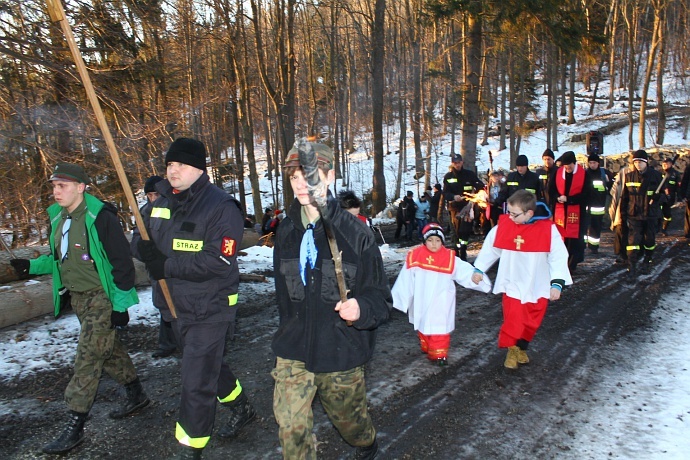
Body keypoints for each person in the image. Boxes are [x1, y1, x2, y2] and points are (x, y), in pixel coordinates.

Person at [9, 163, 149, 454]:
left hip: (102, 296)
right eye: (54, 186)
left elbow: (122, 263)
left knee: (87, 358)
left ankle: (75, 426)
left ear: (81, 187)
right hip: (80, 298)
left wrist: (120, 304)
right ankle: (136, 395)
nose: (56, 191)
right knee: (106, 348)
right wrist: (30, 265)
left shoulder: (100, 218)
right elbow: (59, 260)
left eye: (62, 186)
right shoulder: (60, 218)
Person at [134, 138, 255, 459]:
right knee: (206, 367)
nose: (172, 171)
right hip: (172, 306)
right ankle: (242, 406)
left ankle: (190, 449)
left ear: (199, 169)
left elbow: (219, 260)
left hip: (210, 307)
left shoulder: (221, 207)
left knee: (195, 381)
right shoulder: (160, 201)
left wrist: (167, 264)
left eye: (180, 165)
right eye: (170, 165)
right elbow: (139, 235)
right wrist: (142, 250)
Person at [272, 139, 392, 460]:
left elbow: (380, 299)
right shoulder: (285, 233)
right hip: (293, 350)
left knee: (351, 424)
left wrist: (360, 308)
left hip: (340, 351)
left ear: (330, 176)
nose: (301, 184)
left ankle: (366, 442)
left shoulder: (356, 235)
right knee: (291, 429)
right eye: (294, 177)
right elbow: (284, 298)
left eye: (309, 175)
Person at [471, 190, 572, 369]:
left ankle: (521, 347)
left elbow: (558, 256)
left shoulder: (548, 230)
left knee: (532, 320)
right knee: (514, 318)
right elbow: (491, 247)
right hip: (513, 281)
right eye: (508, 212)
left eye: (514, 214)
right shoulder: (505, 225)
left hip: (538, 283)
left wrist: (557, 283)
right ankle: (511, 349)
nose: (510, 217)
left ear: (529, 213)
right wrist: (479, 269)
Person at [391, 223, 491, 366]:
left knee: (439, 326)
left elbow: (464, 270)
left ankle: (439, 354)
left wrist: (474, 276)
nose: (434, 244)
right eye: (430, 240)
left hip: (441, 300)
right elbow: (405, 280)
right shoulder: (415, 257)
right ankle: (427, 345)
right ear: (425, 241)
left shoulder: (450, 258)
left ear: (442, 242)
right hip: (421, 299)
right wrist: (399, 299)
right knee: (423, 323)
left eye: (438, 241)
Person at [131, 175, 180, 359]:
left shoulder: (176, 208)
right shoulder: (144, 213)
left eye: (156, 194)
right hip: (155, 269)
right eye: (149, 195)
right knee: (162, 303)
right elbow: (136, 240)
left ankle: (185, 340)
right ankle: (167, 342)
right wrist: (144, 251)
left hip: (174, 268)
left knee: (180, 304)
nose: (153, 199)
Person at [620, 149, 664, 276]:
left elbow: (665, 196)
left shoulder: (656, 176)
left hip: (650, 214)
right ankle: (631, 266)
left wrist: (658, 198)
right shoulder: (629, 176)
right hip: (634, 214)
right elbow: (625, 197)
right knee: (633, 242)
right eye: (635, 162)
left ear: (646, 162)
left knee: (649, 240)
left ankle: (647, 261)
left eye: (640, 162)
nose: (638, 164)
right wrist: (623, 213)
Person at [549, 151, 591, 272]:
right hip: (560, 211)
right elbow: (550, 190)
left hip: (578, 212)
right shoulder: (558, 173)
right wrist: (557, 197)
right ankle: (561, 264)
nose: (567, 168)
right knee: (561, 239)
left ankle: (571, 265)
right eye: (565, 166)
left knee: (575, 242)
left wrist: (570, 199)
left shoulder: (584, 175)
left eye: (569, 166)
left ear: (574, 163)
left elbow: (587, 195)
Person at [442, 153, 485, 260]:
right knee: (456, 231)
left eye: (459, 162)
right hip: (454, 207)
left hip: (467, 207)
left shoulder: (469, 174)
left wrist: (476, 192)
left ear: (462, 162)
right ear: (452, 164)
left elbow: (479, 185)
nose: (457, 165)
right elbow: (445, 193)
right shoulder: (448, 177)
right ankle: (456, 251)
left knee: (465, 230)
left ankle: (463, 250)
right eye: (455, 163)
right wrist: (453, 196)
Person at [584, 154, 613, 254]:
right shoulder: (585, 174)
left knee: (596, 228)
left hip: (598, 206)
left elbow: (611, 186)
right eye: (590, 163)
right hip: (587, 206)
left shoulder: (604, 173)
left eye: (594, 163)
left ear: (598, 163)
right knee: (584, 227)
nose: (592, 165)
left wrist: (608, 183)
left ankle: (594, 247)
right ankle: (583, 246)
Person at [609, 160, 631, 265]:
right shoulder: (624, 172)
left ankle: (630, 255)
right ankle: (620, 253)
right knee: (621, 229)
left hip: (636, 206)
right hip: (622, 203)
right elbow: (615, 189)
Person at [659, 157, 681, 235]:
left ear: (671, 164)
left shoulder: (675, 174)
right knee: (656, 213)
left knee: (667, 214)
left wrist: (679, 198)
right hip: (659, 196)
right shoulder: (658, 172)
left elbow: (679, 187)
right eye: (663, 164)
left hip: (669, 197)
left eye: (667, 163)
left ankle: (664, 229)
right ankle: (656, 228)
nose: (665, 165)